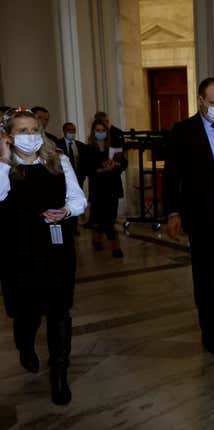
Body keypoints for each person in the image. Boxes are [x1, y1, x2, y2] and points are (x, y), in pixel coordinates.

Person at [0, 107, 86, 405]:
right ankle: (25, 345)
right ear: (9, 136)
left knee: (60, 310)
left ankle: (60, 373)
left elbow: (78, 199)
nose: (30, 136)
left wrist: (65, 211)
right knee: (27, 312)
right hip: (17, 251)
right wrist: (1, 157)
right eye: (21, 131)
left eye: (33, 129)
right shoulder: (3, 166)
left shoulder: (58, 160)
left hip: (56, 247)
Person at [163, 77, 214, 353]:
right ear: (201, 101)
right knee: (206, 276)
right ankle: (209, 331)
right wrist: (173, 212)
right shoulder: (183, 131)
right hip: (202, 215)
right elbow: (172, 176)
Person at [86, 119, 127, 258]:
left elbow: (123, 164)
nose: (101, 133)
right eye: (98, 131)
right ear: (93, 131)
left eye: (103, 131)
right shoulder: (89, 148)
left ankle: (98, 239)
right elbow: (88, 169)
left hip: (112, 187)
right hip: (98, 188)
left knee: (109, 217)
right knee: (102, 218)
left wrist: (116, 165)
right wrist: (102, 170)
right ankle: (115, 247)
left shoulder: (113, 146)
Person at [56, 122, 89, 188]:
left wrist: (83, 175)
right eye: (69, 130)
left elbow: (84, 161)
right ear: (64, 131)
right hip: (64, 177)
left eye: (73, 130)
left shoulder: (81, 145)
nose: (71, 132)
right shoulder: (57, 144)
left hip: (78, 178)